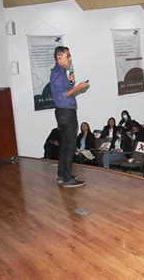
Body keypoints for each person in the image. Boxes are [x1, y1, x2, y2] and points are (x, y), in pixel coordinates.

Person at [50, 46, 88, 187]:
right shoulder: (58, 73)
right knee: (71, 145)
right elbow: (61, 96)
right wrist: (77, 87)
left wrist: (71, 83)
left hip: (63, 113)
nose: (70, 58)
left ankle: (62, 174)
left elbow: (64, 90)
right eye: (68, 56)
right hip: (66, 113)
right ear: (59, 57)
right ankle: (67, 179)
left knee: (65, 145)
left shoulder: (60, 72)